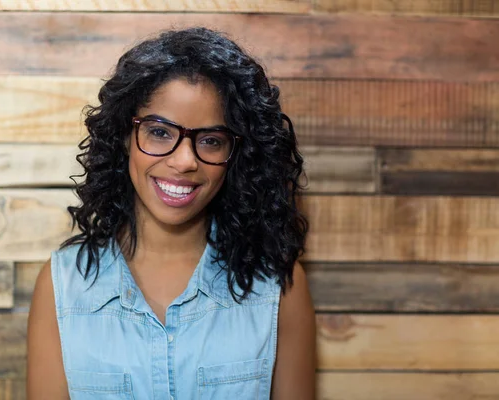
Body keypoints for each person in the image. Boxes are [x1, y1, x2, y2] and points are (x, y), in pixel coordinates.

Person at [27, 27, 315, 400]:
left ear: (237, 156)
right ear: (125, 137)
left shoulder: (278, 286)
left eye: (211, 141)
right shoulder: (62, 286)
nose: (184, 161)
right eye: (160, 132)